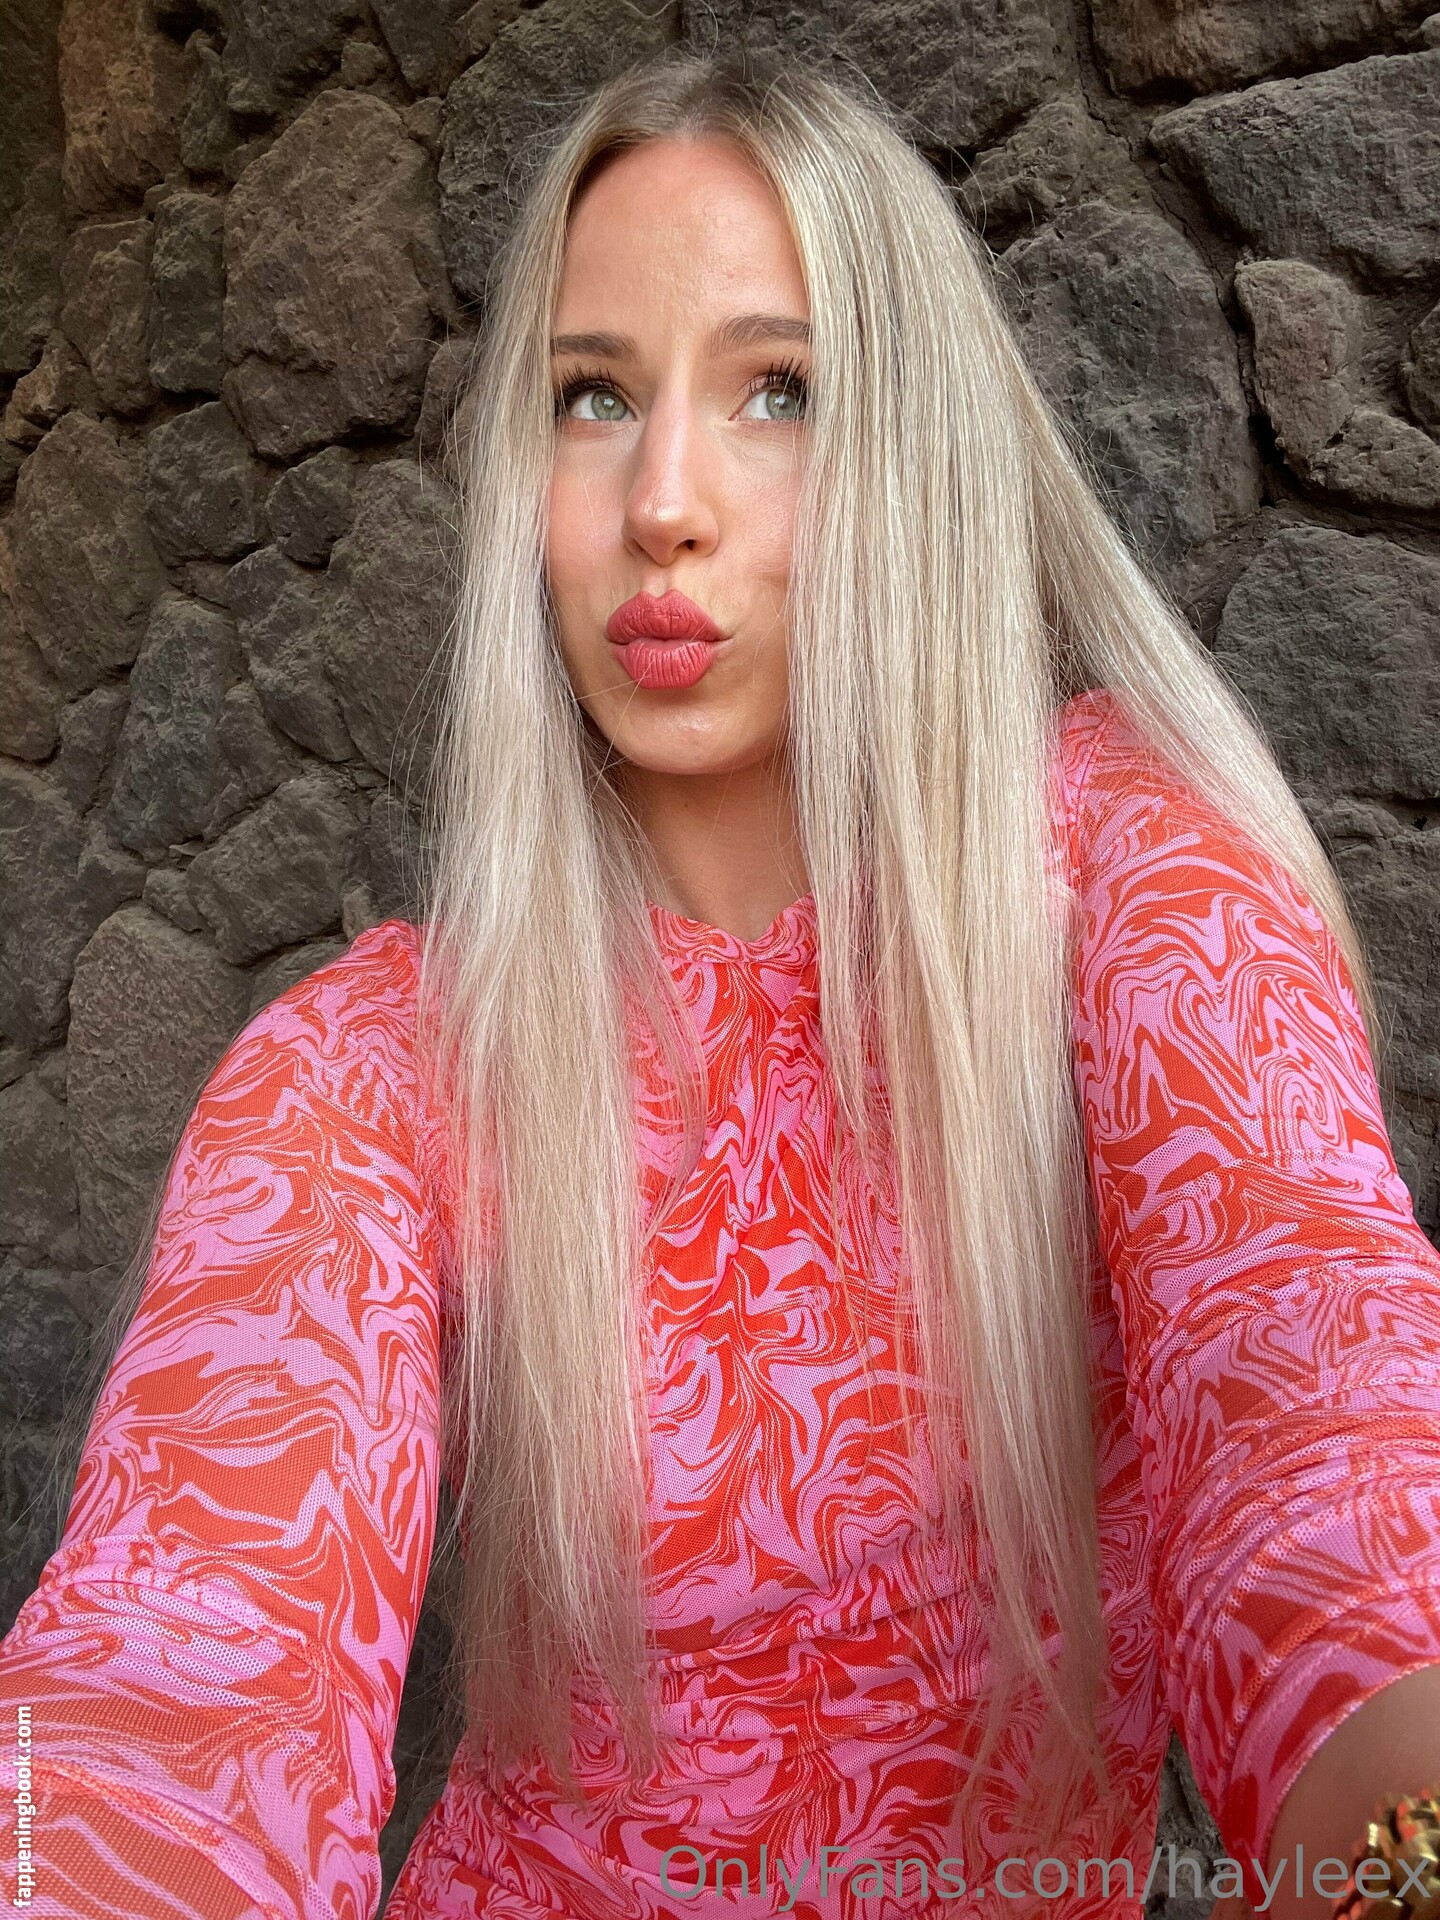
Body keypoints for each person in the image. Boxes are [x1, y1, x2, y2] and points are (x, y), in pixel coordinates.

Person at [3, 48, 1440, 1920]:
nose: (661, 501)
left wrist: (1400, 1815)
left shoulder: (1117, 870)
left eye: (780, 391)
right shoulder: (379, 1068)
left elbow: (1305, 1362)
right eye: (593, 397)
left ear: (915, 447)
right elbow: (181, 1657)